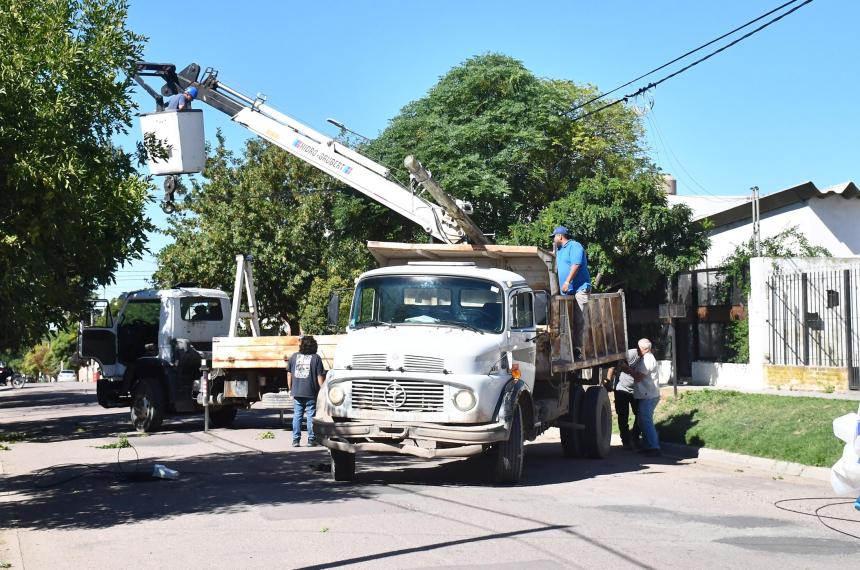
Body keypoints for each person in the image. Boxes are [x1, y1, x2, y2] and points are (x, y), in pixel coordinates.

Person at [552, 225, 591, 359]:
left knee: (578, 319)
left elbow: (576, 264)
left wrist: (567, 281)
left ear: (560, 236)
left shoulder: (575, 246)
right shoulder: (559, 250)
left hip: (579, 289)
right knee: (564, 321)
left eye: (554, 237)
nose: (553, 240)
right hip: (566, 292)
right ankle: (564, 348)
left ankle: (577, 349)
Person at [287, 335, 326, 447]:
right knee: (311, 416)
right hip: (311, 392)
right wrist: (323, 390)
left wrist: (290, 388)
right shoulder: (316, 358)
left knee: (297, 415)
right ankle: (311, 440)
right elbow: (320, 377)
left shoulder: (294, 357)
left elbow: (289, 373)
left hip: (297, 391)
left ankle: (295, 440)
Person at [629, 338, 661, 457]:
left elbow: (638, 377)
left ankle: (654, 447)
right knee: (642, 421)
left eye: (638, 347)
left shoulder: (647, 359)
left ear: (644, 349)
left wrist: (627, 369)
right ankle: (648, 446)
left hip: (649, 395)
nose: (637, 349)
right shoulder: (645, 358)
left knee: (646, 421)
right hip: (647, 394)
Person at [613, 348, 641, 450]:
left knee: (640, 413)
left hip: (636, 391)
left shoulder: (647, 357)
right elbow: (619, 363)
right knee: (623, 415)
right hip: (622, 388)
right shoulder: (631, 353)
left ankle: (635, 436)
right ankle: (625, 440)